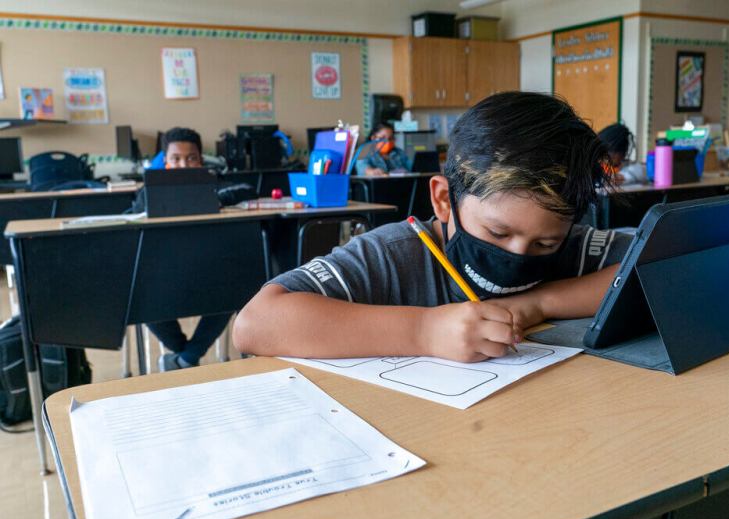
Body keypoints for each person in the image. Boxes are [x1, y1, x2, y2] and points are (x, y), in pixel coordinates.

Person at [233, 92, 631, 363]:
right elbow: (255, 324)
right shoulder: (394, 255)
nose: (518, 254)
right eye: (496, 233)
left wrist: (537, 303)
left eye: (545, 243)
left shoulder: (574, 247)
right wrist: (424, 331)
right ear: (443, 200)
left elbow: (657, 266)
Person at [138, 127, 232, 371]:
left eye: (190, 158)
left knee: (235, 288)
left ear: (200, 160)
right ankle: (187, 356)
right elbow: (132, 215)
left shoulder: (214, 186)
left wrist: (217, 199)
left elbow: (245, 191)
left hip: (207, 269)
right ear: (166, 163)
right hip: (163, 273)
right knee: (139, 296)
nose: (183, 165)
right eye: (176, 159)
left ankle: (184, 360)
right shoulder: (148, 192)